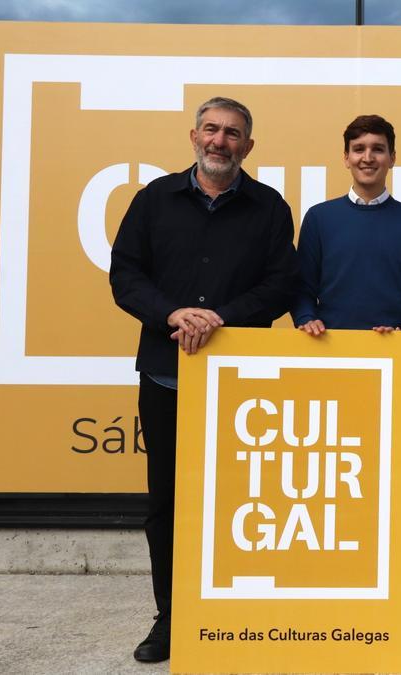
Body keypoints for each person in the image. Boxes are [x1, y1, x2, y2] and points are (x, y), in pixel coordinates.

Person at [109, 96, 296, 663]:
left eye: (233, 133)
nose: (220, 141)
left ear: (248, 145)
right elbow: (125, 275)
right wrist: (172, 314)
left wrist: (220, 318)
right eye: (211, 130)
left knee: (244, 502)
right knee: (166, 503)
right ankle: (171, 616)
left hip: (243, 384)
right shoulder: (153, 199)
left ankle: (235, 614)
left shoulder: (269, 207)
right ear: (194, 135)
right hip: (167, 378)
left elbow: (281, 285)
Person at [293, 114, 401, 338]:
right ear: (346, 158)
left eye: (378, 149)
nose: (367, 157)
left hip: (394, 355)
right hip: (328, 349)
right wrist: (307, 319)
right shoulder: (318, 218)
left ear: (392, 158)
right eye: (359, 149)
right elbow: (301, 289)